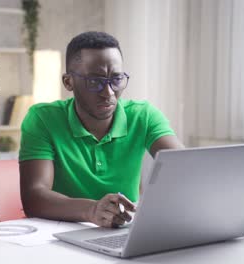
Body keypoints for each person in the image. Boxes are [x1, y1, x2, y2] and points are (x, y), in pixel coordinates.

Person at [19, 31, 184, 228]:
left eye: (116, 79)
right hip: (61, 233)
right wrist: (92, 210)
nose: (109, 93)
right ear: (68, 82)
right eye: (95, 82)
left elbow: (186, 166)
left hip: (123, 230)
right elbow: (34, 197)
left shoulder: (143, 115)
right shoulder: (43, 118)